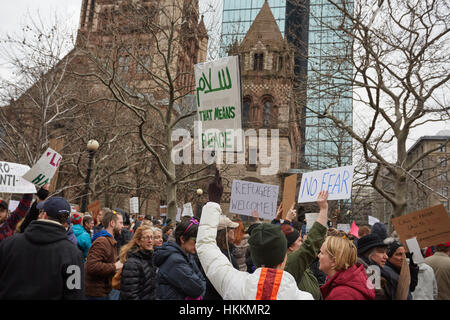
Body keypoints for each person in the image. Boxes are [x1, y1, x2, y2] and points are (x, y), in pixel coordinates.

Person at [196, 169, 314, 300]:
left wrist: (213, 202)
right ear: (284, 259)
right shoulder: (304, 297)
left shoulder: (234, 285)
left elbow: (205, 246)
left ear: (254, 257)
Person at [0, 196, 84, 299]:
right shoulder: (73, 255)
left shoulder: (8, 244)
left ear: (43, 215)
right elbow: (75, 295)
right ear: (65, 221)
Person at [281, 194, 329, 300]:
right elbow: (311, 244)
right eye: (299, 241)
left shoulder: (296, 263)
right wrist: (323, 209)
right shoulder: (290, 264)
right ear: (290, 248)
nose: (302, 242)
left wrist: (287, 220)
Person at [154, 217, 206, 300]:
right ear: (182, 239)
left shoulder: (187, 255)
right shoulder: (175, 260)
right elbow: (198, 289)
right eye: (195, 240)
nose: (197, 245)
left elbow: (202, 279)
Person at [318, 236, 375, 300]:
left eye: (322, 253)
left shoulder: (342, 295)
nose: (318, 255)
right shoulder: (346, 282)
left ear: (334, 261)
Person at [85, 209, 123, 300]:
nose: (123, 226)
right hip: (95, 294)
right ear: (112, 223)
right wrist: (114, 266)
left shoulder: (108, 240)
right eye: (120, 223)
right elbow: (92, 266)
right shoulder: (102, 241)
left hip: (101, 291)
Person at [203, 215, 239, 300]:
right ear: (225, 233)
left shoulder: (225, 250)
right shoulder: (220, 255)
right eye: (232, 229)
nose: (234, 231)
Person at [119, 225, 157, 300]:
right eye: (146, 237)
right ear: (138, 241)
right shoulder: (132, 264)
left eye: (152, 237)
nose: (150, 240)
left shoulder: (149, 258)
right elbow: (130, 295)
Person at [356, 233, 395, 299]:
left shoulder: (379, 272)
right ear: (368, 254)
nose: (386, 257)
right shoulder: (365, 276)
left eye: (386, 252)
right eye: (381, 252)